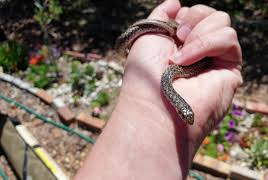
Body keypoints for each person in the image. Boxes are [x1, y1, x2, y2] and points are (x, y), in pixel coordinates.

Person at [75, 0, 242, 179]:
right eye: (186, 115)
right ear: (180, 108)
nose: (187, 118)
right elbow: (121, 46)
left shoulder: (170, 77)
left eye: (185, 115)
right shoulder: (166, 76)